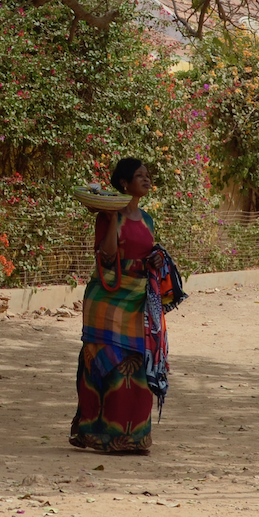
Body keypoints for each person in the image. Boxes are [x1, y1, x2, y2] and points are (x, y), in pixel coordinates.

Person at [69, 157, 175, 454]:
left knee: (138, 366)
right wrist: (114, 214)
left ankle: (133, 437)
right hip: (106, 301)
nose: (147, 178)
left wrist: (156, 257)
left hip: (137, 300)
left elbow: (147, 252)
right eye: (140, 175)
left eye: (148, 174)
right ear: (124, 183)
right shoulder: (106, 217)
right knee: (106, 362)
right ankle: (98, 434)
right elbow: (106, 257)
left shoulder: (147, 219)